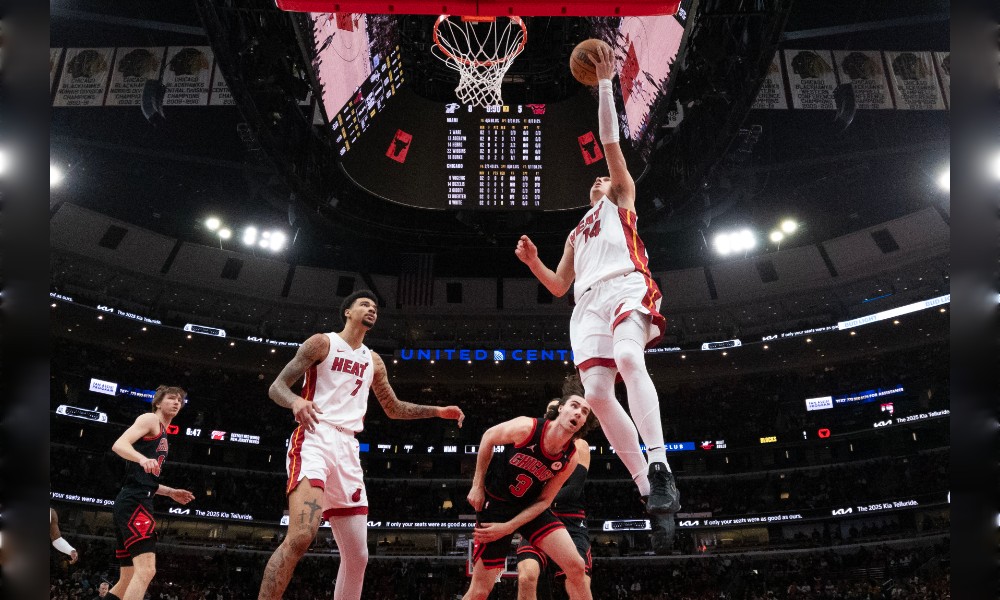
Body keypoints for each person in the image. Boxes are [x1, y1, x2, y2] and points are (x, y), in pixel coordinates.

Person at [515, 44, 679, 553]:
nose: (600, 179)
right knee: (599, 396)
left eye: (605, 178)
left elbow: (610, 142)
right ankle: (650, 493)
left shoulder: (621, 199)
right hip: (584, 305)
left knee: (631, 356)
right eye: (600, 180)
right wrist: (532, 263)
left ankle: (660, 464)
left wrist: (605, 84)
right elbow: (559, 286)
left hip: (626, 283)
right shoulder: (575, 232)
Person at [258, 290, 465, 600]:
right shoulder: (322, 343)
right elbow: (277, 388)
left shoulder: (374, 360)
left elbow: (393, 408)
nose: (372, 310)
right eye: (365, 304)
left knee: (358, 557)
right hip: (314, 437)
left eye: (376, 307)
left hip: (348, 449)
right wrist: (296, 401)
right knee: (302, 536)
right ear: (348, 312)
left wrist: (437, 411)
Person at [462, 383, 599, 600]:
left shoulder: (571, 456)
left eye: (584, 412)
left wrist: (509, 527)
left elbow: (545, 501)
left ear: (584, 422)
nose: (578, 413)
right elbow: (488, 436)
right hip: (496, 506)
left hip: (529, 506)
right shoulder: (528, 427)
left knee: (576, 566)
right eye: (574, 406)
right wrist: (477, 485)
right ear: (561, 408)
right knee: (479, 591)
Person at [107, 386, 196, 600]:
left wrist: (170, 492)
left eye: (180, 400)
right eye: (171, 398)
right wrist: (141, 458)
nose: (177, 402)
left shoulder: (163, 432)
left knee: (127, 577)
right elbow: (118, 445)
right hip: (134, 502)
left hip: (133, 499)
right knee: (147, 570)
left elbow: (143, 480)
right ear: (158, 403)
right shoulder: (150, 419)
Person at [516, 388, 593, 600]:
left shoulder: (579, 445)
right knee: (526, 577)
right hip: (539, 518)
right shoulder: (533, 443)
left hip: (569, 519)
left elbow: (574, 490)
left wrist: (537, 502)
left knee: (577, 582)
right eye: (548, 411)